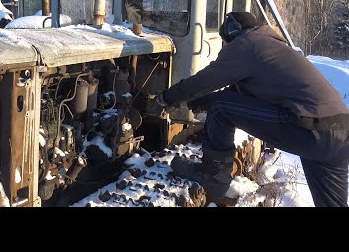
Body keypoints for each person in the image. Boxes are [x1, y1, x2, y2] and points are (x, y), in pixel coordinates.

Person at [148, 11, 349, 207]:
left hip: (308, 128)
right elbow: (244, 96)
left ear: (232, 33)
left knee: (220, 107)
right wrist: (198, 101)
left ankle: (213, 175)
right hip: (339, 133)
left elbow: (205, 81)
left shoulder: (246, 44)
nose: (224, 47)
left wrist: (166, 98)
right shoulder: (271, 47)